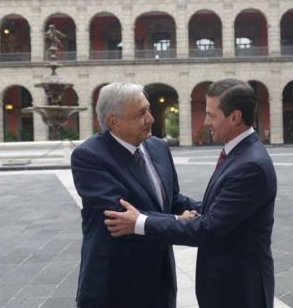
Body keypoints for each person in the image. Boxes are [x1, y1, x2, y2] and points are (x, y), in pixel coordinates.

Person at [104, 78, 277, 308]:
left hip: (239, 290)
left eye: (211, 115)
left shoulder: (250, 165)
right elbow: (218, 210)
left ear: (234, 117)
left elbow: (208, 229)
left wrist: (140, 222)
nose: (206, 121)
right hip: (228, 285)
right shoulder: (240, 154)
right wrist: (191, 209)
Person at [71, 82, 198, 308]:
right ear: (113, 121)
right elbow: (119, 216)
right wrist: (179, 221)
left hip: (160, 281)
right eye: (141, 113)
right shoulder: (89, 156)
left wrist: (214, 205)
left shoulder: (158, 147)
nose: (151, 118)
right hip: (115, 285)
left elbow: (172, 199)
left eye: (148, 110)